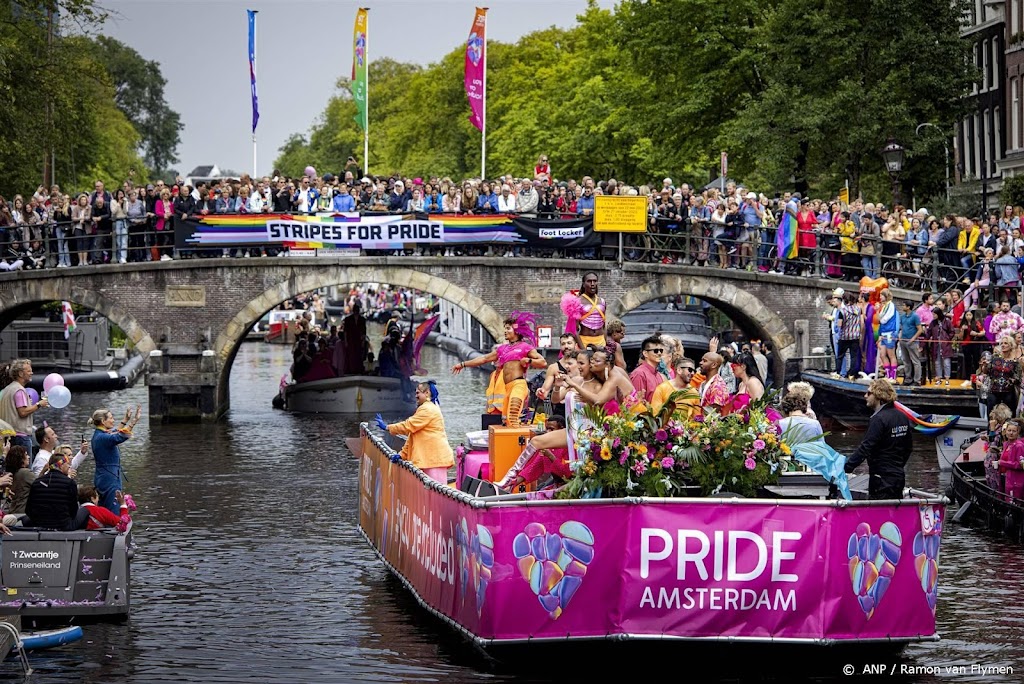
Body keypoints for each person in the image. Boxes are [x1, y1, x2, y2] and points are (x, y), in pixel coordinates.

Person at [452, 312, 546, 428]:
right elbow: (484, 358)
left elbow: (543, 362)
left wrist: (529, 361)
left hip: (519, 385)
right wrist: (463, 364)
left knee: (513, 414)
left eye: (508, 328)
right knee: (506, 421)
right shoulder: (502, 349)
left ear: (517, 331)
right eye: (505, 329)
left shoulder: (525, 347)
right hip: (508, 388)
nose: (505, 331)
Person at [843, 378, 913, 500]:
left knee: (878, 514)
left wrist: (847, 467)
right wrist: (897, 466)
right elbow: (908, 447)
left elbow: (866, 447)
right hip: (898, 476)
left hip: (880, 478)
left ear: (879, 395)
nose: (865, 396)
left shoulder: (878, 419)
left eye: (869, 393)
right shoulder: (902, 417)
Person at [376, 381, 454, 484]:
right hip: (430, 460)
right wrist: (402, 454)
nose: (415, 396)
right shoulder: (426, 408)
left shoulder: (427, 409)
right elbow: (413, 435)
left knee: (435, 492)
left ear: (427, 393)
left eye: (418, 393)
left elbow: (408, 426)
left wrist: (387, 427)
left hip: (434, 461)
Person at [91, 405, 140, 515]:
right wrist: (133, 422)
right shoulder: (102, 437)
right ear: (103, 421)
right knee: (113, 507)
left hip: (103, 475)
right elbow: (120, 436)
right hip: (110, 477)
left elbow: (115, 432)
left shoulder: (99, 434)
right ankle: (114, 528)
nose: (113, 420)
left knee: (105, 506)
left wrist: (126, 420)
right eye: (111, 418)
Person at [25, 451, 89, 530]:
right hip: (63, 525)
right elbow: (73, 510)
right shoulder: (69, 483)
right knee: (86, 509)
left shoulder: (37, 482)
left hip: (39, 523)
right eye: (68, 464)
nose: (69, 467)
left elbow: (28, 509)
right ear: (61, 466)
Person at [0, 359, 48, 453]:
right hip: (21, 437)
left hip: (9, 436)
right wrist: (39, 404)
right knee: (24, 467)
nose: (32, 373)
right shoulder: (19, 390)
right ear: (21, 374)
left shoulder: (7, 389)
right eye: (29, 371)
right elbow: (22, 412)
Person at [561, 272, 607, 349]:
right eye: (589, 281)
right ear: (583, 284)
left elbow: (604, 326)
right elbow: (574, 329)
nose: (592, 284)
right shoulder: (576, 301)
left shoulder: (602, 301)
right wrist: (582, 348)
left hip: (601, 341)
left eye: (595, 281)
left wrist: (605, 343)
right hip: (584, 341)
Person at [629, 335, 669, 403]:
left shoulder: (659, 375)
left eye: (661, 350)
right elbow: (636, 404)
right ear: (645, 353)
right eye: (655, 351)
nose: (659, 353)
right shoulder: (639, 374)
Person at [985, 403, 1013, 492]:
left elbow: (993, 443)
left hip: (998, 458)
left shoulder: (1005, 427)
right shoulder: (1003, 425)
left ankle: (995, 494)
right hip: (998, 457)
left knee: (996, 480)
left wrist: (992, 429)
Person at [875, 289, 900, 381]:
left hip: (890, 333)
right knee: (882, 354)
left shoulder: (891, 305)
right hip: (883, 333)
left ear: (886, 296)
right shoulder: (884, 306)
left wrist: (880, 317)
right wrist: (877, 311)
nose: (880, 297)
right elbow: (878, 319)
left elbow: (883, 320)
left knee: (891, 355)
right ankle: (888, 373)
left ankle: (893, 376)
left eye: (881, 295)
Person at [898, 300, 923, 386]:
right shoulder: (903, 316)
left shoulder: (915, 316)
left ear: (908, 307)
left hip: (912, 342)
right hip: (903, 340)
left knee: (915, 361)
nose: (903, 307)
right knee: (906, 361)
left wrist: (913, 339)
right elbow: (902, 327)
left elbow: (920, 329)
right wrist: (900, 337)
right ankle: (908, 378)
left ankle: (917, 380)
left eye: (904, 305)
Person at [998, 418, 1024, 500]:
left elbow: (1020, 465)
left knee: (1014, 504)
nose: (1011, 433)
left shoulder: (1019, 446)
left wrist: (1002, 463)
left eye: (1014, 431)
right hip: (1005, 478)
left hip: (1015, 481)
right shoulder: (1006, 444)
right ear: (1005, 432)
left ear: (1018, 432)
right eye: (1009, 430)